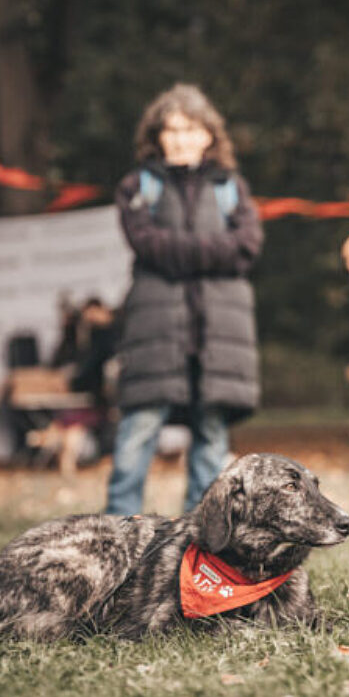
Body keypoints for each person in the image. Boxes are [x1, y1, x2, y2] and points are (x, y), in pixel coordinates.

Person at [104, 83, 263, 515]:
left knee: (211, 437)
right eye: (171, 130)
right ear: (156, 136)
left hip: (218, 334)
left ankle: (199, 536)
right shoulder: (138, 186)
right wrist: (213, 251)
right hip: (156, 332)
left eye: (190, 129)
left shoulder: (231, 186)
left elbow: (247, 246)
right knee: (138, 430)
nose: (180, 139)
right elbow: (145, 243)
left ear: (209, 135)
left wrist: (179, 252)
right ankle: (118, 532)